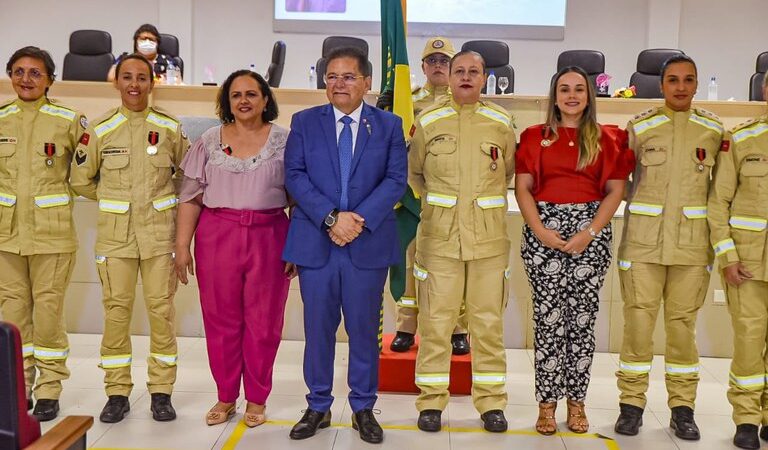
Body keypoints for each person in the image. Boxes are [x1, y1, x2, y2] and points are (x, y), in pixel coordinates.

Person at [283, 46, 406, 444]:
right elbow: (295, 176)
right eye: (332, 76)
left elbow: (394, 180)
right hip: (317, 242)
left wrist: (357, 220)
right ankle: (318, 405)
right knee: (318, 329)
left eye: (349, 76)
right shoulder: (304, 122)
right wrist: (332, 218)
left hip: (365, 244)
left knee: (363, 329)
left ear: (367, 83)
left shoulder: (388, 125)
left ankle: (363, 407)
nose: (339, 83)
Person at [70, 53, 189, 424]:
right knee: (116, 315)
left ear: (152, 83)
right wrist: (113, 201)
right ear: (116, 82)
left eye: (141, 77)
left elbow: (187, 177)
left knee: (162, 314)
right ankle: (117, 392)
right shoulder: (100, 130)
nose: (134, 84)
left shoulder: (169, 127)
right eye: (127, 77)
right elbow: (79, 179)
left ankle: (161, 392)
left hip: (159, 238)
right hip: (116, 240)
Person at [174, 70, 296, 427]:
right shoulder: (209, 140)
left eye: (252, 94)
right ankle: (226, 396)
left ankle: (257, 399)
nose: (244, 101)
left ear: (265, 100)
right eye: (236, 95)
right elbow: (190, 197)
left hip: (270, 235)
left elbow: (299, 201)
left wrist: (297, 248)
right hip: (217, 235)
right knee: (221, 321)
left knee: (264, 324)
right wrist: (182, 246)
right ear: (226, 102)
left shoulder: (286, 141)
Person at [515, 66, 634, 435]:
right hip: (543, 231)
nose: (571, 95)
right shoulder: (534, 137)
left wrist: (590, 231)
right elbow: (524, 188)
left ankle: (577, 403)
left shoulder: (609, 139)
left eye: (578, 89)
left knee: (581, 323)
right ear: (554, 95)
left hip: (590, 233)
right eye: (564, 89)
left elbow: (616, 190)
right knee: (548, 323)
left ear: (589, 96)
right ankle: (547, 404)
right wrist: (541, 231)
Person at [614, 54, 724, 440]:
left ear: (696, 84)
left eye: (688, 80)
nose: (680, 87)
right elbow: (618, 182)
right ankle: (631, 406)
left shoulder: (712, 131)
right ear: (661, 85)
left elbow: (719, 193)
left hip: (692, 250)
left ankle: (682, 409)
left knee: (682, 331)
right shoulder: (641, 127)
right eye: (673, 80)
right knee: (638, 329)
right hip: (642, 246)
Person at [408, 50, 515, 433]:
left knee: (488, 325)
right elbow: (415, 174)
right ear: (449, 77)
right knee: (436, 323)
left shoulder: (501, 123)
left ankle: (491, 404)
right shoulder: (428, 121)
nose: (466, 77)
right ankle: (431, 402)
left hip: (488, 243)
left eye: (474, 71)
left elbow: (507, 174)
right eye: (460, 71)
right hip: (439, 240)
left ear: (485, 78)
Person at [0, 46, 87, 422]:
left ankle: (49, 389)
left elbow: (87, 175)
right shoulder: (0, 118)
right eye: (18, 72)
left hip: (52, 237)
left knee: (49, 316)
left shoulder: (69, 121)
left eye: (35, 73)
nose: (26, 79)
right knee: (14, 318)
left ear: (51, 79)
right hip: (6, 236)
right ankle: (17, 390)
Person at [390, 36, 469, 355]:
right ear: (422, 66)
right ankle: (406, 327)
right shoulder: (405, 102)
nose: (438, 66)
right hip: (411, 199)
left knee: (453, 268)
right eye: (432, 61)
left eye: (444, 61)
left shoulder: (464, 102)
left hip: (451, 199)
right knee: (407, 266)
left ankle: (458, 328)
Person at [708, 73, 768, 450]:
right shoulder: (742, 139)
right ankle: (746, 419)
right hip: (748, 264)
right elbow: (718, 206)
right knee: (748, 343)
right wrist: (727, 256)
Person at [107, 24, 180, 84]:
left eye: (151, 39)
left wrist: (163, 81)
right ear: (136, 42)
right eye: (143, 39)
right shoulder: (125, 58)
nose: (147, 42)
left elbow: (178, 82)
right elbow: (111, 77)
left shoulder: (168, 61)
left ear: (157, 43)